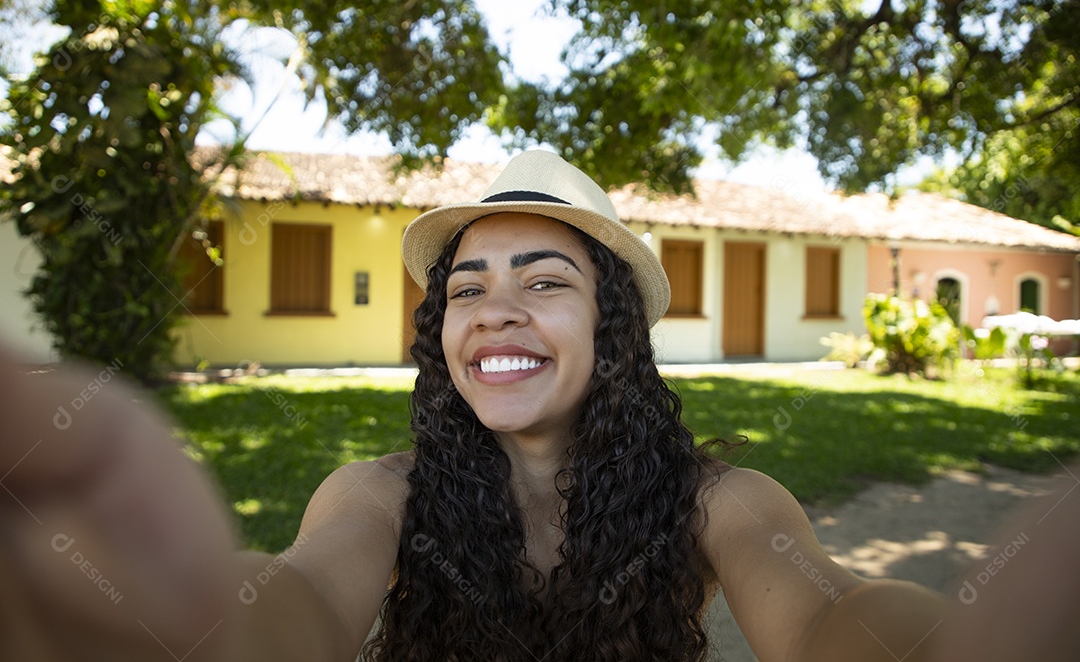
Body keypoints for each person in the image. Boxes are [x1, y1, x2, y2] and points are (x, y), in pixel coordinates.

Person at [0, 150, 1073, 661]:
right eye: (466, 289)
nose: (494, 311)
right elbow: (298, 601)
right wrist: (176, 618)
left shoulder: (718, 504)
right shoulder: (380, 497)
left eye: (544, 281)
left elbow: (833, 616)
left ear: (614, 326)